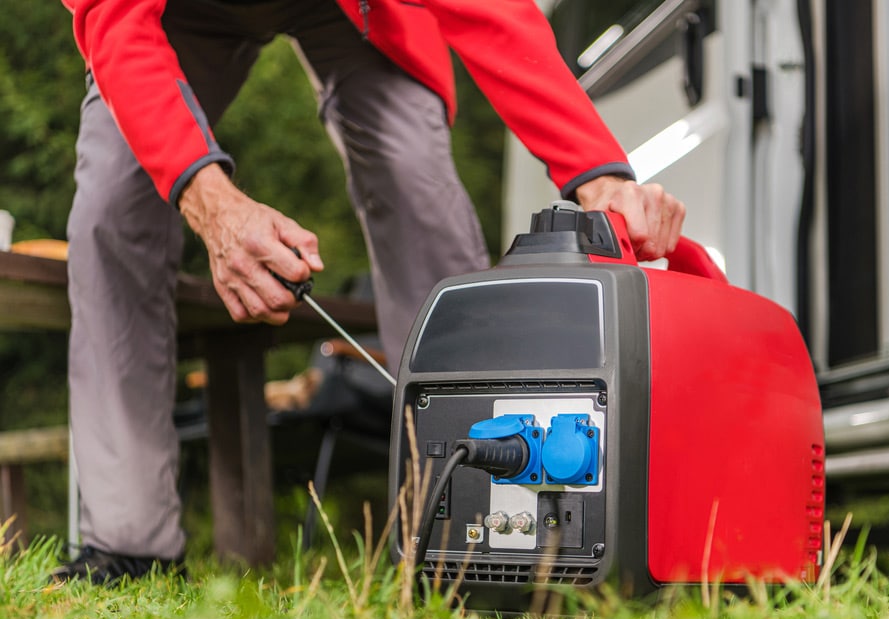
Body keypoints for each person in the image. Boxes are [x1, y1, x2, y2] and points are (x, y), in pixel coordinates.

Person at [53, 0, 686, 583]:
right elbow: (114, 20)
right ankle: (129, 541)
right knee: (111, 207)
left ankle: (482, 522)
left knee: (413, 177)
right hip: (171, 13)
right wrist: (211, 201)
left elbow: (492, 13)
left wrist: (597, 174)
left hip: (354, 9)